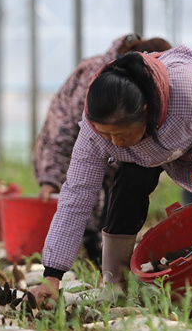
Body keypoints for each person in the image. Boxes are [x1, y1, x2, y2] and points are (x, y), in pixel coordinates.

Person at [29, 45, 192, 304]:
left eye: (121, 134)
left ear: (145, 111)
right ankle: (115, 285)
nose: (115, 142)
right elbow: (76, 196)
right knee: (127, 187)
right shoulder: (94, 132)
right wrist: (52, 276)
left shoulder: (191, 90)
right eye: (106, 135)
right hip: (148, 144)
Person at [33, 34, 173, 266]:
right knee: (81, 202)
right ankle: (84, 259)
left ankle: (104, 263)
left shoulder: (139, 84)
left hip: (112, 152)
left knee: (111, 207)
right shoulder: (98, 82)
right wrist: (52, 177)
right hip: (69, 151)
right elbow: (63, 133)